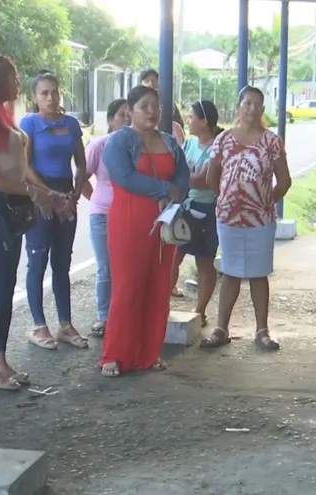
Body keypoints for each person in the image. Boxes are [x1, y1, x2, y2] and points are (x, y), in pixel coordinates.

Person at [0, 56, 68, 390]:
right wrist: (31, 191)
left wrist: (38, 193)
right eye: (13, 76)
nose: (18, 81)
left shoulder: (5, 118)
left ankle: (0, 359)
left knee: (6, 289)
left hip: (13, 211)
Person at [99, 85, 189, 377]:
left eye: (156, 106)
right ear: (130, 110)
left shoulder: (169, 142)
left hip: (164, 223)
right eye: (144, 106)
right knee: (127, 287)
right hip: (129, 221)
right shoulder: (119, 141)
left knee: (159, 286)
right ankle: (114, 354)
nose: (152, 111)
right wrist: (164, 189)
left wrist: (175, 193)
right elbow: (123, 177)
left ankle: (148, 353)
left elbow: (183, 176)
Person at [202, 86, 292, 351]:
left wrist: (263, 202)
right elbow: (211, 177)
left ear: (263, 110)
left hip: (261, 222)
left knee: (258, 274)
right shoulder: (223, 140)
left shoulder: (272, 141)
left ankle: (262, 331)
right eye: (247, 103)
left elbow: (284, 181)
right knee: (229, 272)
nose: (252, 108)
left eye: (257, 104)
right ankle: (221, 329)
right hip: (228, 219)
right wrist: (228, 199)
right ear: (239, 106)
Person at [19, 71, 89, 351]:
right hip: (40, 196)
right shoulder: (29, 123)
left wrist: (76, 190)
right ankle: (39, 325)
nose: (51, 97)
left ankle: (65, 323)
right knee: (38, 259)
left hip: (66, 195)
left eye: (55, 92)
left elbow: (82, 163)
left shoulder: (71, 125)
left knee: (62, 261)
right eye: (44, 93)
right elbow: (23, 167)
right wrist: (48, 194)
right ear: (35, 98)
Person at [169, 100, 223, 326]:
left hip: (208, 210)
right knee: (173, 257)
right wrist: (189, 175)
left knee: (204, 261)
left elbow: (202, 181)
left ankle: (200, 311)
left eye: (191, 117)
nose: (188, 120)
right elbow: (177, 172)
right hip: (185, 208)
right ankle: (163, 306)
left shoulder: (217, 148)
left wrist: (187, 175)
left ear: (204, 122)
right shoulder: (189, 144)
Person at [84, 98, 131, 337]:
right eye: (122, 115)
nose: (127, 120)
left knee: (126, 267)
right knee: (105, 268)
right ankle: (104, 316)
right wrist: (98, 200)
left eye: (130, 115)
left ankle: (124, 315)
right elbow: (82, 177)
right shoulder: (98, 146)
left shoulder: (139, 146)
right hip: (102, 216)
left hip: (130, 217)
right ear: (111, 120)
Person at [139, 68, 186, 146]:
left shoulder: (168, 102)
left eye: (153, 80)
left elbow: (178, 124)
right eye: (147, 81)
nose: (151, 83)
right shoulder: (137, 103)